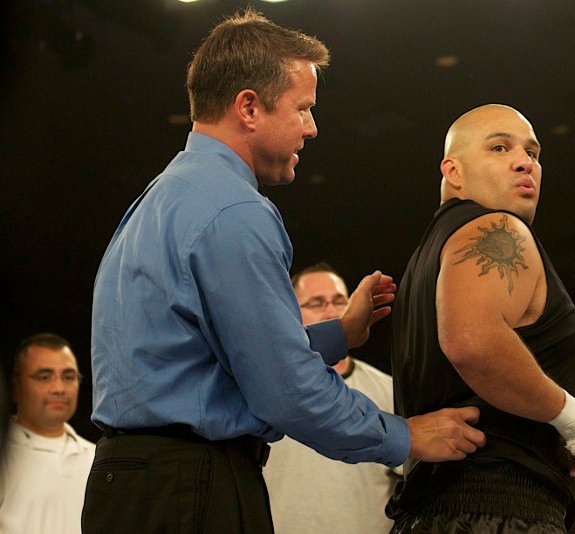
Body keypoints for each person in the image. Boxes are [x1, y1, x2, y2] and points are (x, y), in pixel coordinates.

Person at [83, 9, 485, 534]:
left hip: (131, 486)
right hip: (190, 488)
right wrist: (406, 435)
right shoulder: (233, 209)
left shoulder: (162, 198)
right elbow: (285, 390)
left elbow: (215, 360)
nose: (311, 128)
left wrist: (339, 334)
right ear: (249, 107)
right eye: (303, 108)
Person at [388, 104, 575, 533]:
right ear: (454, 172)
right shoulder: (498, 230)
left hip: (435, 511)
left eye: (533, 152)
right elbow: (472, 341)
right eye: (499, 147)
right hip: (499, 509)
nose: (524, 162)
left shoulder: (428, 255)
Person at [264, 262, 400, 534]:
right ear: (290, 311)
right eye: (316, 303)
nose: (331, 311)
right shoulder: (266, 389)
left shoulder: (389, 390)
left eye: (339, 301)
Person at [0, 333, 95, 534]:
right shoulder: (4, 455)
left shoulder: (97, 459)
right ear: (16, 387)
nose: (59, 388)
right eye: (44, 377)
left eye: (68, 377)